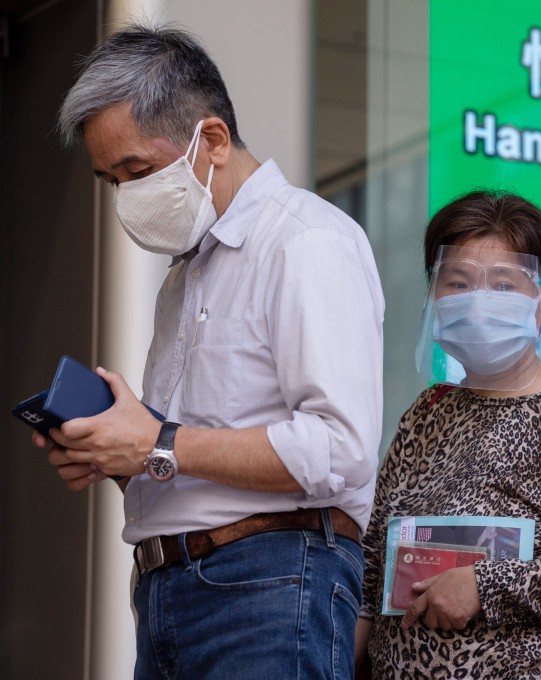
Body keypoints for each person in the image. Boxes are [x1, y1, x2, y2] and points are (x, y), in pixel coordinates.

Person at [43, 24, 384, 679]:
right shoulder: (188, 273)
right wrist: (118, 451)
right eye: (110, 180)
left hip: (271, 586)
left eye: (137, 170)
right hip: (171, 590)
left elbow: (338, 448)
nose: (125, 197)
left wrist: (157, 443)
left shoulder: (306, 241)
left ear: (214, 140)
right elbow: (195, 450)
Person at [354, 190, 541, 678]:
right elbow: (371, 568)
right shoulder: (426, 414)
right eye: (459, 282)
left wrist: (484, 587)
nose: (477, 303)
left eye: (503, 286)